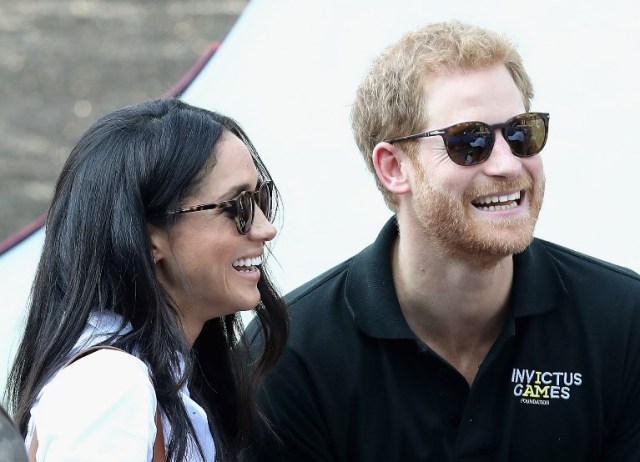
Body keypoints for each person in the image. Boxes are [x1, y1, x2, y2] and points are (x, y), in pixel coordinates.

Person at [242, 20, 640, 461]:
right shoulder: (291, 353)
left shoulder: (624, 320)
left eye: (521, 133)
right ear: (393, 167)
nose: (507, 164)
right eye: (470, 142)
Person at [5, 97, 289, 462]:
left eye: (261, 198)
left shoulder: (164, 375)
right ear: (147, 236)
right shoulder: (109, 386)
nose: (266, 228)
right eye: (237, 206)